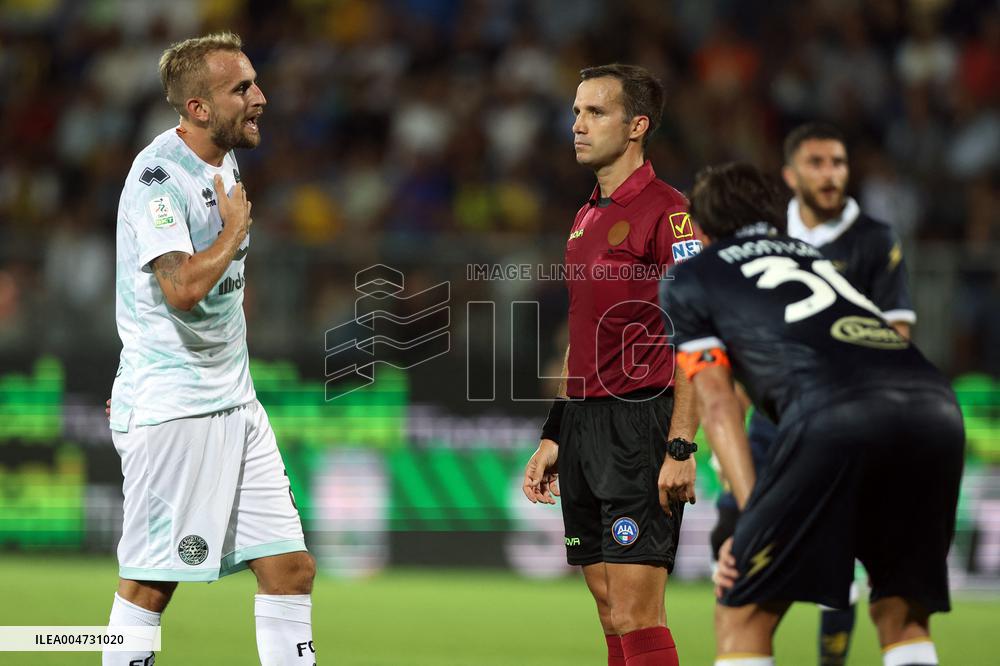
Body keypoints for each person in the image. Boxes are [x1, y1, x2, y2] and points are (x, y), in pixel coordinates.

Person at [662, 162, 964, 666]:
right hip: (935, 405)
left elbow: (716, 402)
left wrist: (753, 513)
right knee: (901, 612)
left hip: (835, 409)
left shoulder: (691, 277)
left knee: (742, 610)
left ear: (699, 226)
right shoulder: (810, 255)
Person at [106, 32, 316, 666]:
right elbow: (182, 289)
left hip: (235, 401)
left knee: (290, 569)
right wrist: (232, 231)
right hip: (176, 407)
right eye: (242, 89)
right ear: (198, 108)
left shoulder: (221, 160)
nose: (261, 98)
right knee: (150, 581)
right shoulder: (157, 179)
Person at [709, 121, 918, 666]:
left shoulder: (873, 239)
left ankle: (828, 658)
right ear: (790, 174)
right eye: (818, 164)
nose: (831, 176)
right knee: (730, 537)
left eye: (839, 164)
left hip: (844, 413)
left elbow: (897, 332)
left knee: (846, 554)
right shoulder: (770, 239)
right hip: (771, 419)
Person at [522, 63, 701, 666]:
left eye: (595, 112)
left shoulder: (668, 212)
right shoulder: (585, 216)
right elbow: (583, 337)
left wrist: (681, 443)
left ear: (636, 127)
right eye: (575, 111)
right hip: (584, 427)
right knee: (607, 602)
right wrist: (556, 431)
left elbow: (700, 336)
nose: (577, 124)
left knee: (635, 610)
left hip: (640, 425)